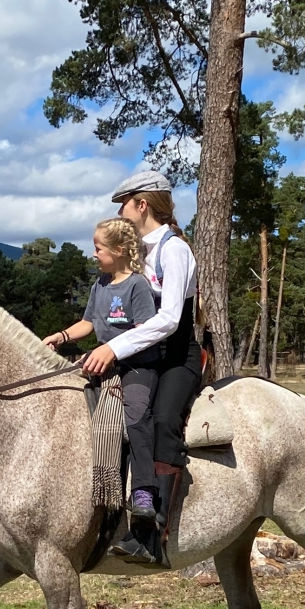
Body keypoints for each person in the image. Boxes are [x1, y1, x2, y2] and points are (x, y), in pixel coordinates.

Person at [80, 170, 202, 568]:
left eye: (124, 202)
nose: (119, 210)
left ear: (142, 204)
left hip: (176, 358)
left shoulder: (174, 250)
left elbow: (168, 319)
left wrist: (112, 348)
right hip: (139, 358)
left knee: (162, 419)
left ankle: (152, 536)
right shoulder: (132, 252)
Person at [43, 218, 161, 523]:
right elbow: (90, 323)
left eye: (98, 248)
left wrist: (111, 353)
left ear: (119, 249)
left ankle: (143, 490)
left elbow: (143, 333)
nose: (93, 254)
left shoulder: (137, 285)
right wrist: (62, 336)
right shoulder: (100, 285)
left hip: (136, 366)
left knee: (136, 419)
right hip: (100, 361)